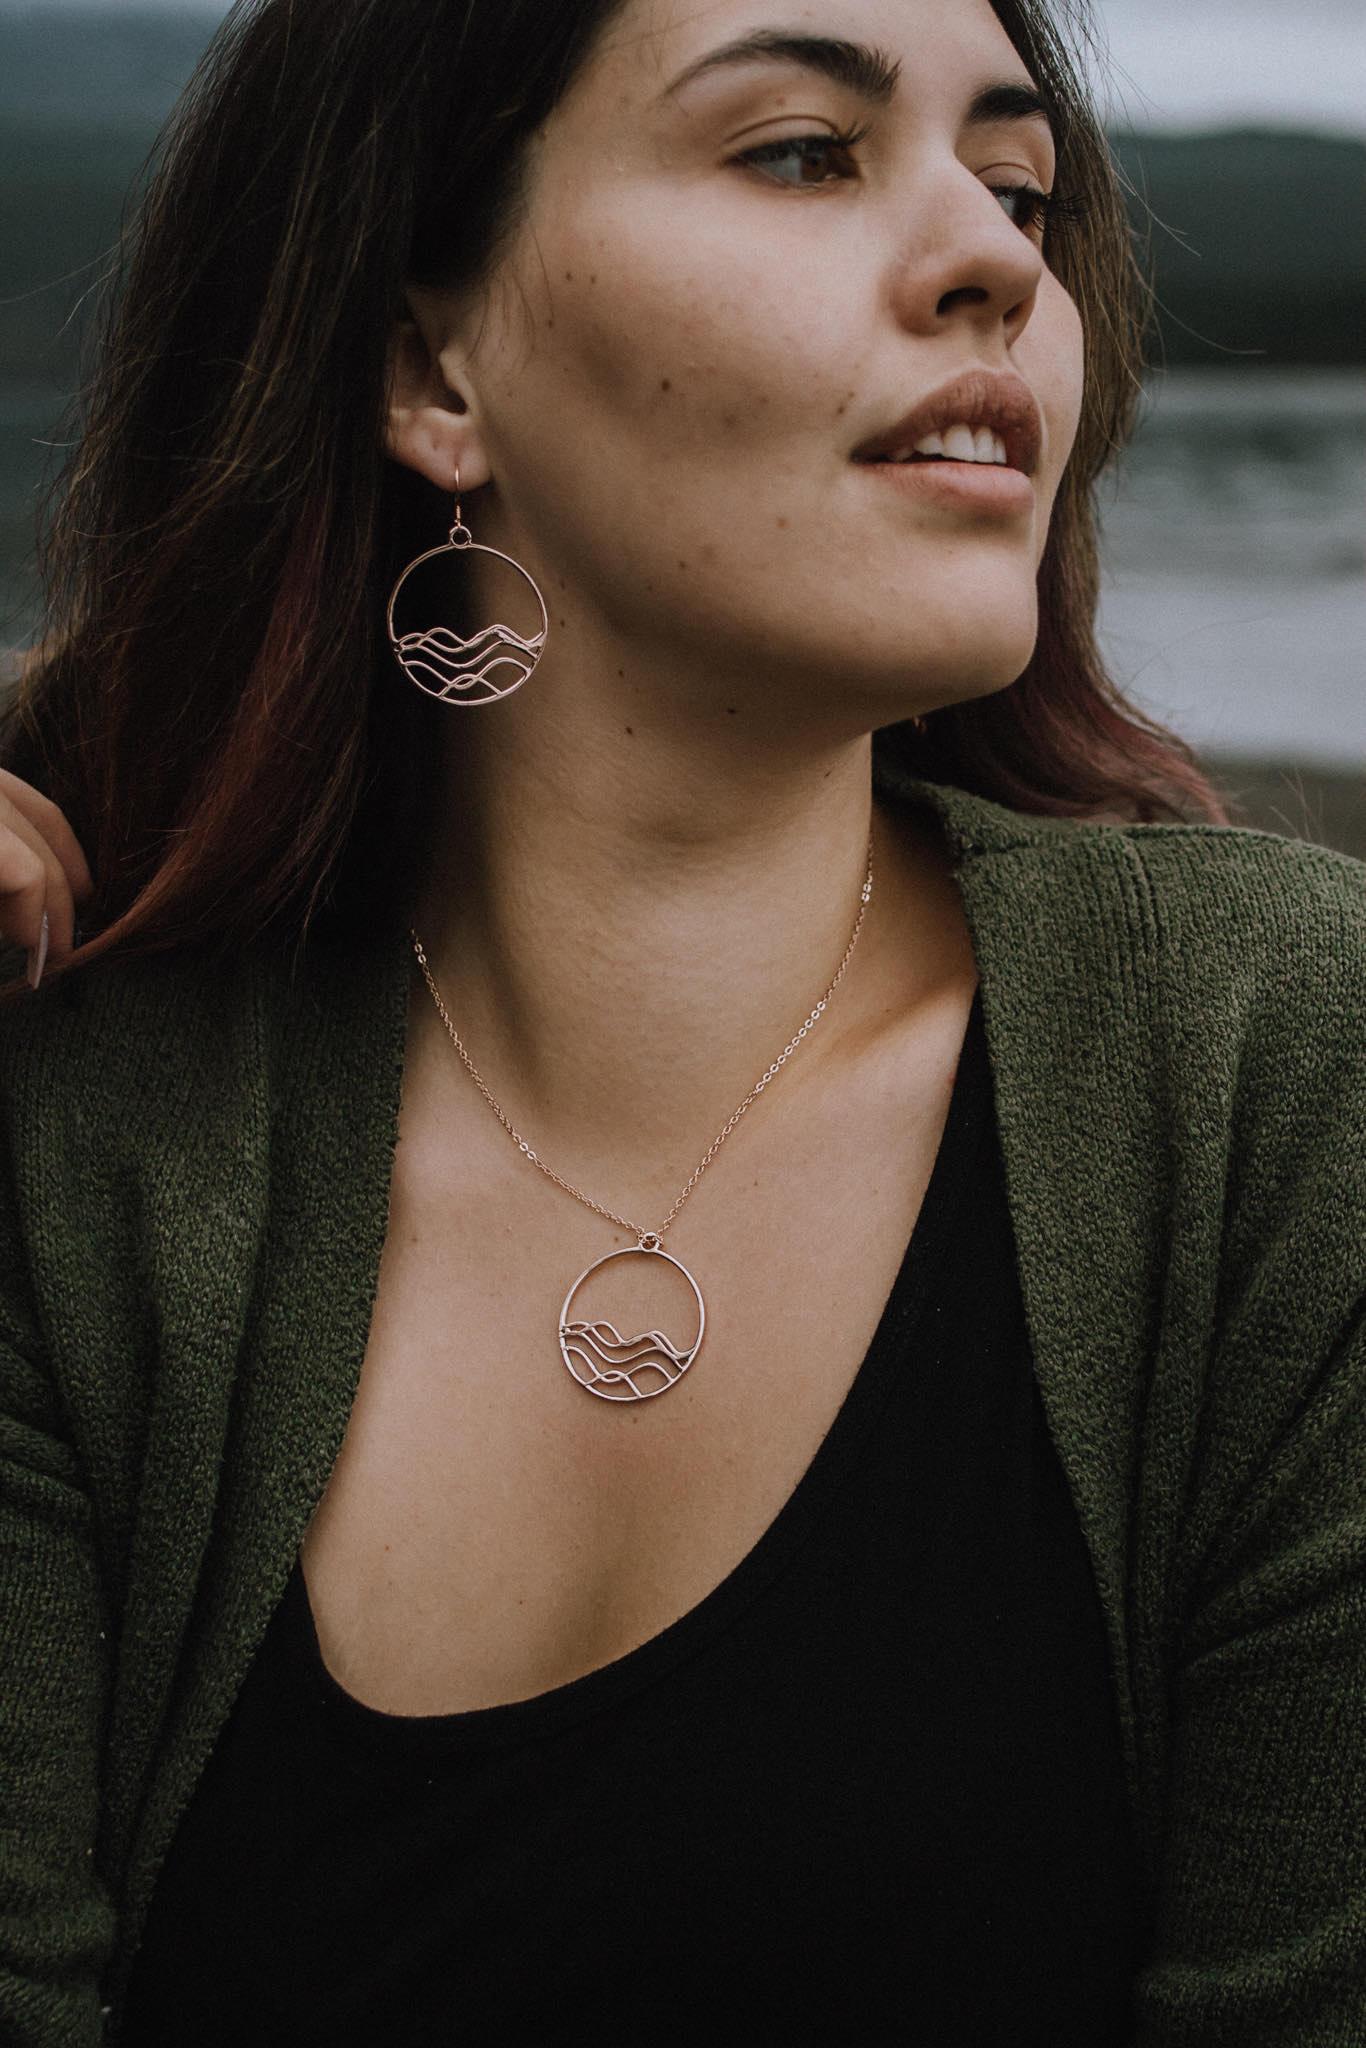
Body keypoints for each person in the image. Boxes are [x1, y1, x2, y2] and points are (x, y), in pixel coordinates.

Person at [1, 0, 1362, 2039]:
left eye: (1017, 187)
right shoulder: (80, 1130)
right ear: (423, 364)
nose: (998, 259)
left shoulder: (1274, 1073)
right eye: (802, 151)